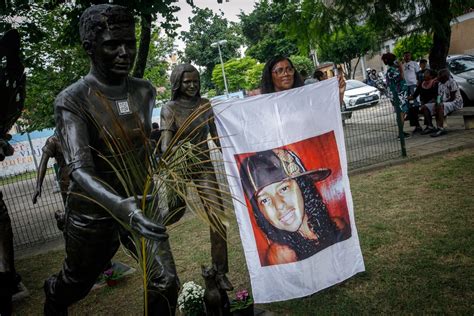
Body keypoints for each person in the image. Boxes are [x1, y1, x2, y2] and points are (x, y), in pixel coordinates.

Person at [43, 5, 178, 314]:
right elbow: (79, 169)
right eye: (112, 45)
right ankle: (53, 294)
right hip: (95, 211)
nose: (124, 52)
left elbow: (141, 144)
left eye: (129, 43)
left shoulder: (144, 91)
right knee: (75, 283)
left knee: (165, 282)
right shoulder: (72, 99)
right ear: (90, 47)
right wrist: (120, 206)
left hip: (142, 202)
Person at [160, 63, 233, 291]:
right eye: (186, 82)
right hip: (178, 168)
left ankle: (219, 271)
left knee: (217, 217)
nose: (192, 85)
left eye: (195, 81)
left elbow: (217, 138)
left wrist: (234, 157)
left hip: (204, 167)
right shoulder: (169, 108)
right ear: (177, 84)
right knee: (173, 214)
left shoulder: (205, 105)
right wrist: (166, 158)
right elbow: (165, 144)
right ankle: (150, 233)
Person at [238, 149, 350, 266]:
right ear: (260, 211)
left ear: (302, 187)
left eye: (284, 189)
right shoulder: (282, 256)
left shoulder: (338, 226)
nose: (279, 205)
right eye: (265, 200)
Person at [261, 56, 346, 104]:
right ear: (269, 75)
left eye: (289, 69)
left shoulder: (307, 97)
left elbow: (327, 112)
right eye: (280, 71)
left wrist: (340, 93)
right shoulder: (265, 104)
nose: (286, 74)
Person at [422, 69, 463, 137]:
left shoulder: (452, 82)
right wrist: (436, 103)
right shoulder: (440, 83)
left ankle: (441, 129)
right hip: (444, 103)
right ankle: (430, 127)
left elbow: (452, 98)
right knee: (425, 107)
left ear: (445, 77)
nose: (437, 78)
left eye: (439, 77)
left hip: (455, 103)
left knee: (440, 106)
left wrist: (439, 104)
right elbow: (439, 96)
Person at [32, 131, 69, 205]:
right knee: (69, 207)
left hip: (82, 176)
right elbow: (43, 163)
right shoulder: (52, 140)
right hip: (66, 179)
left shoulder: (76, 135)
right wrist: (38, 185)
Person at [382, 52, 411, 139]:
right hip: (398, 95)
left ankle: (401, 132)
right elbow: (401, 77)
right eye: (395, 59)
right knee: (401, 113)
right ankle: (400, 134)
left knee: (401, 113)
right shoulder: (391, 71)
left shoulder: (392, 70)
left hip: (400, 94)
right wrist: (401, 67)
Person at [409, 69, 439, 135]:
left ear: (431, 76)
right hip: (424, 104)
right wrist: (406, 99)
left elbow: (436, 97)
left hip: (433, 104)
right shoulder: (422, 83)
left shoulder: (435, 83)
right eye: (424, 73)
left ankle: (430, 126)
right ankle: (418, 127)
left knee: (425, 107)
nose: (423, 75)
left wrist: (427, 103)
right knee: (412, 109)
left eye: (426, 73)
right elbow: (414, 95)